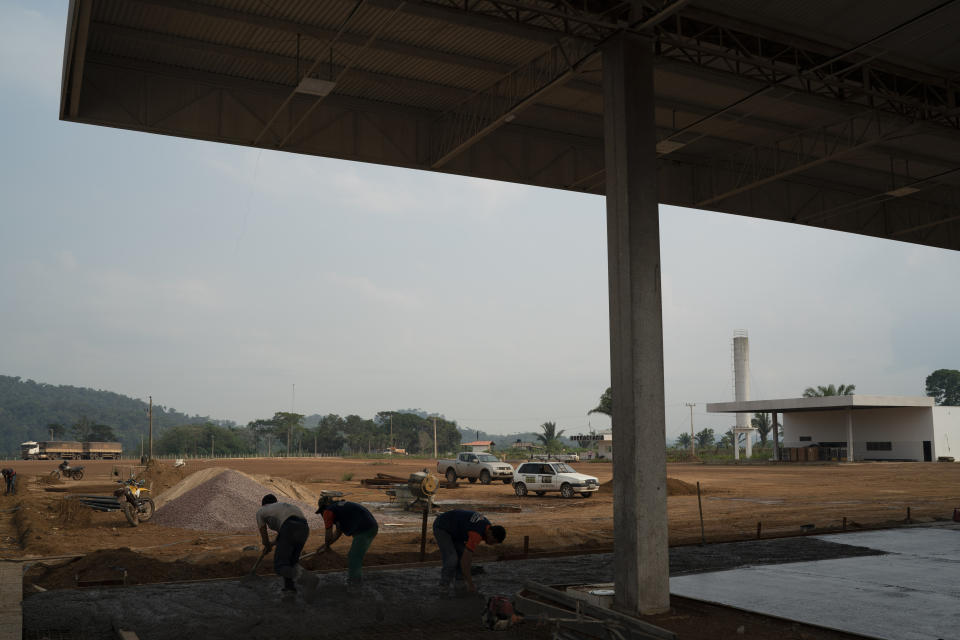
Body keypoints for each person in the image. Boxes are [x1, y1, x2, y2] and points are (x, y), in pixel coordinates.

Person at [256, 494, 318, 600]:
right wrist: (271, 544)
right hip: (304, 528)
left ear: (263, 504)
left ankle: (306, 578)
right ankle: (289, 589)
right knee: (290, 563)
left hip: (289, 528)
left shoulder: (261, 511)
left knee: (280, 566)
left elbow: (263, 533)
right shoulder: (283, 507)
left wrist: (266, 545)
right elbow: (282, 536)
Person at [432, 509, 505, 593]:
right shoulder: (477, 533)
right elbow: (465, 562)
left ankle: (459, 582)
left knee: (462, 553)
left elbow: (465, 557)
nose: (492, 544)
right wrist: (471, 584)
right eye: (493, 541)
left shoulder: (487, 526)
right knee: (452, 558)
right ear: (491, 533)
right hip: (442, 527)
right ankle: (443, 587)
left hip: (455, 530)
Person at [316, 496, 378, 588]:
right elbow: (338, 532)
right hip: (370, 527)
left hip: (364, 529)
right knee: (356, 555)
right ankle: (355, 580)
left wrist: (326, 547)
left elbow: (328, 534)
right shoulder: (339, 508)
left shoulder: (328, 511)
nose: (322, 514)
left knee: (354, 556)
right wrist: (325, 545)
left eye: (321, 511)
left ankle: (355, 583)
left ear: (323, 507)